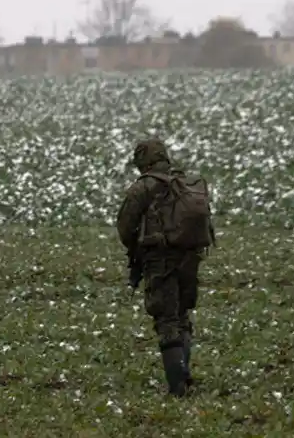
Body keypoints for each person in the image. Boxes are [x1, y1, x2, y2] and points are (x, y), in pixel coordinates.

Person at [116, 138, 216, 397]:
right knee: (182, 316)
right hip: (190, 257)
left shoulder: (143, 187)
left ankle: (178, 387)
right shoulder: (184, 183)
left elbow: (125, 228)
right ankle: (184, 376)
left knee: (166, 318)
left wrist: (139, 249)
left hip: (160, 261)